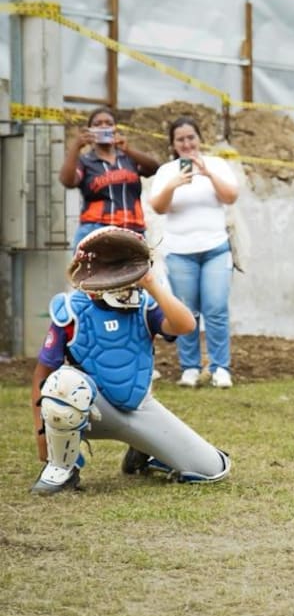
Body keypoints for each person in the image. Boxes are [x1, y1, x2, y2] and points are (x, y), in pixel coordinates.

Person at [29, 231, 230, 494]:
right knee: (63, 383)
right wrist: (42, 436)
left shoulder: (144, 305)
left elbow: (186, 325)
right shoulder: (71, 310)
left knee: (211, 469)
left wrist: (152, 285)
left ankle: (143, 451)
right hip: (90, 410)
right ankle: (62, 468)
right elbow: (42, 376)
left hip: (137, 407)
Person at [147, 117, 240, 389]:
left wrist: (208, 174)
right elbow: (159, 207)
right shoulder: (167, 171)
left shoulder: (217, 165)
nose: (187, 144)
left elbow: (231, 196)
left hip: (215, 249)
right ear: (173, 145)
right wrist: (174, 184)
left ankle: (220, 367)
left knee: (216, 307)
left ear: (199, 139)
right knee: (186, 312)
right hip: (180, 252)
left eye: (191, 138)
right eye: (180, 140)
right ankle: (189, 367)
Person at [60, 105, 160, 247]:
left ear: (115, 129)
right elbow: (67, 181)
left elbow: (154, 168)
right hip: (96, 230)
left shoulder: (128, 159)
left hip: (132, 230)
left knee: (136, 270)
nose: (104, 127)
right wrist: (76, 147)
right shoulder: (85, 161)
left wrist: (128, 149)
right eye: (97, 124)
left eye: (109, 123)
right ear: (90, 131)